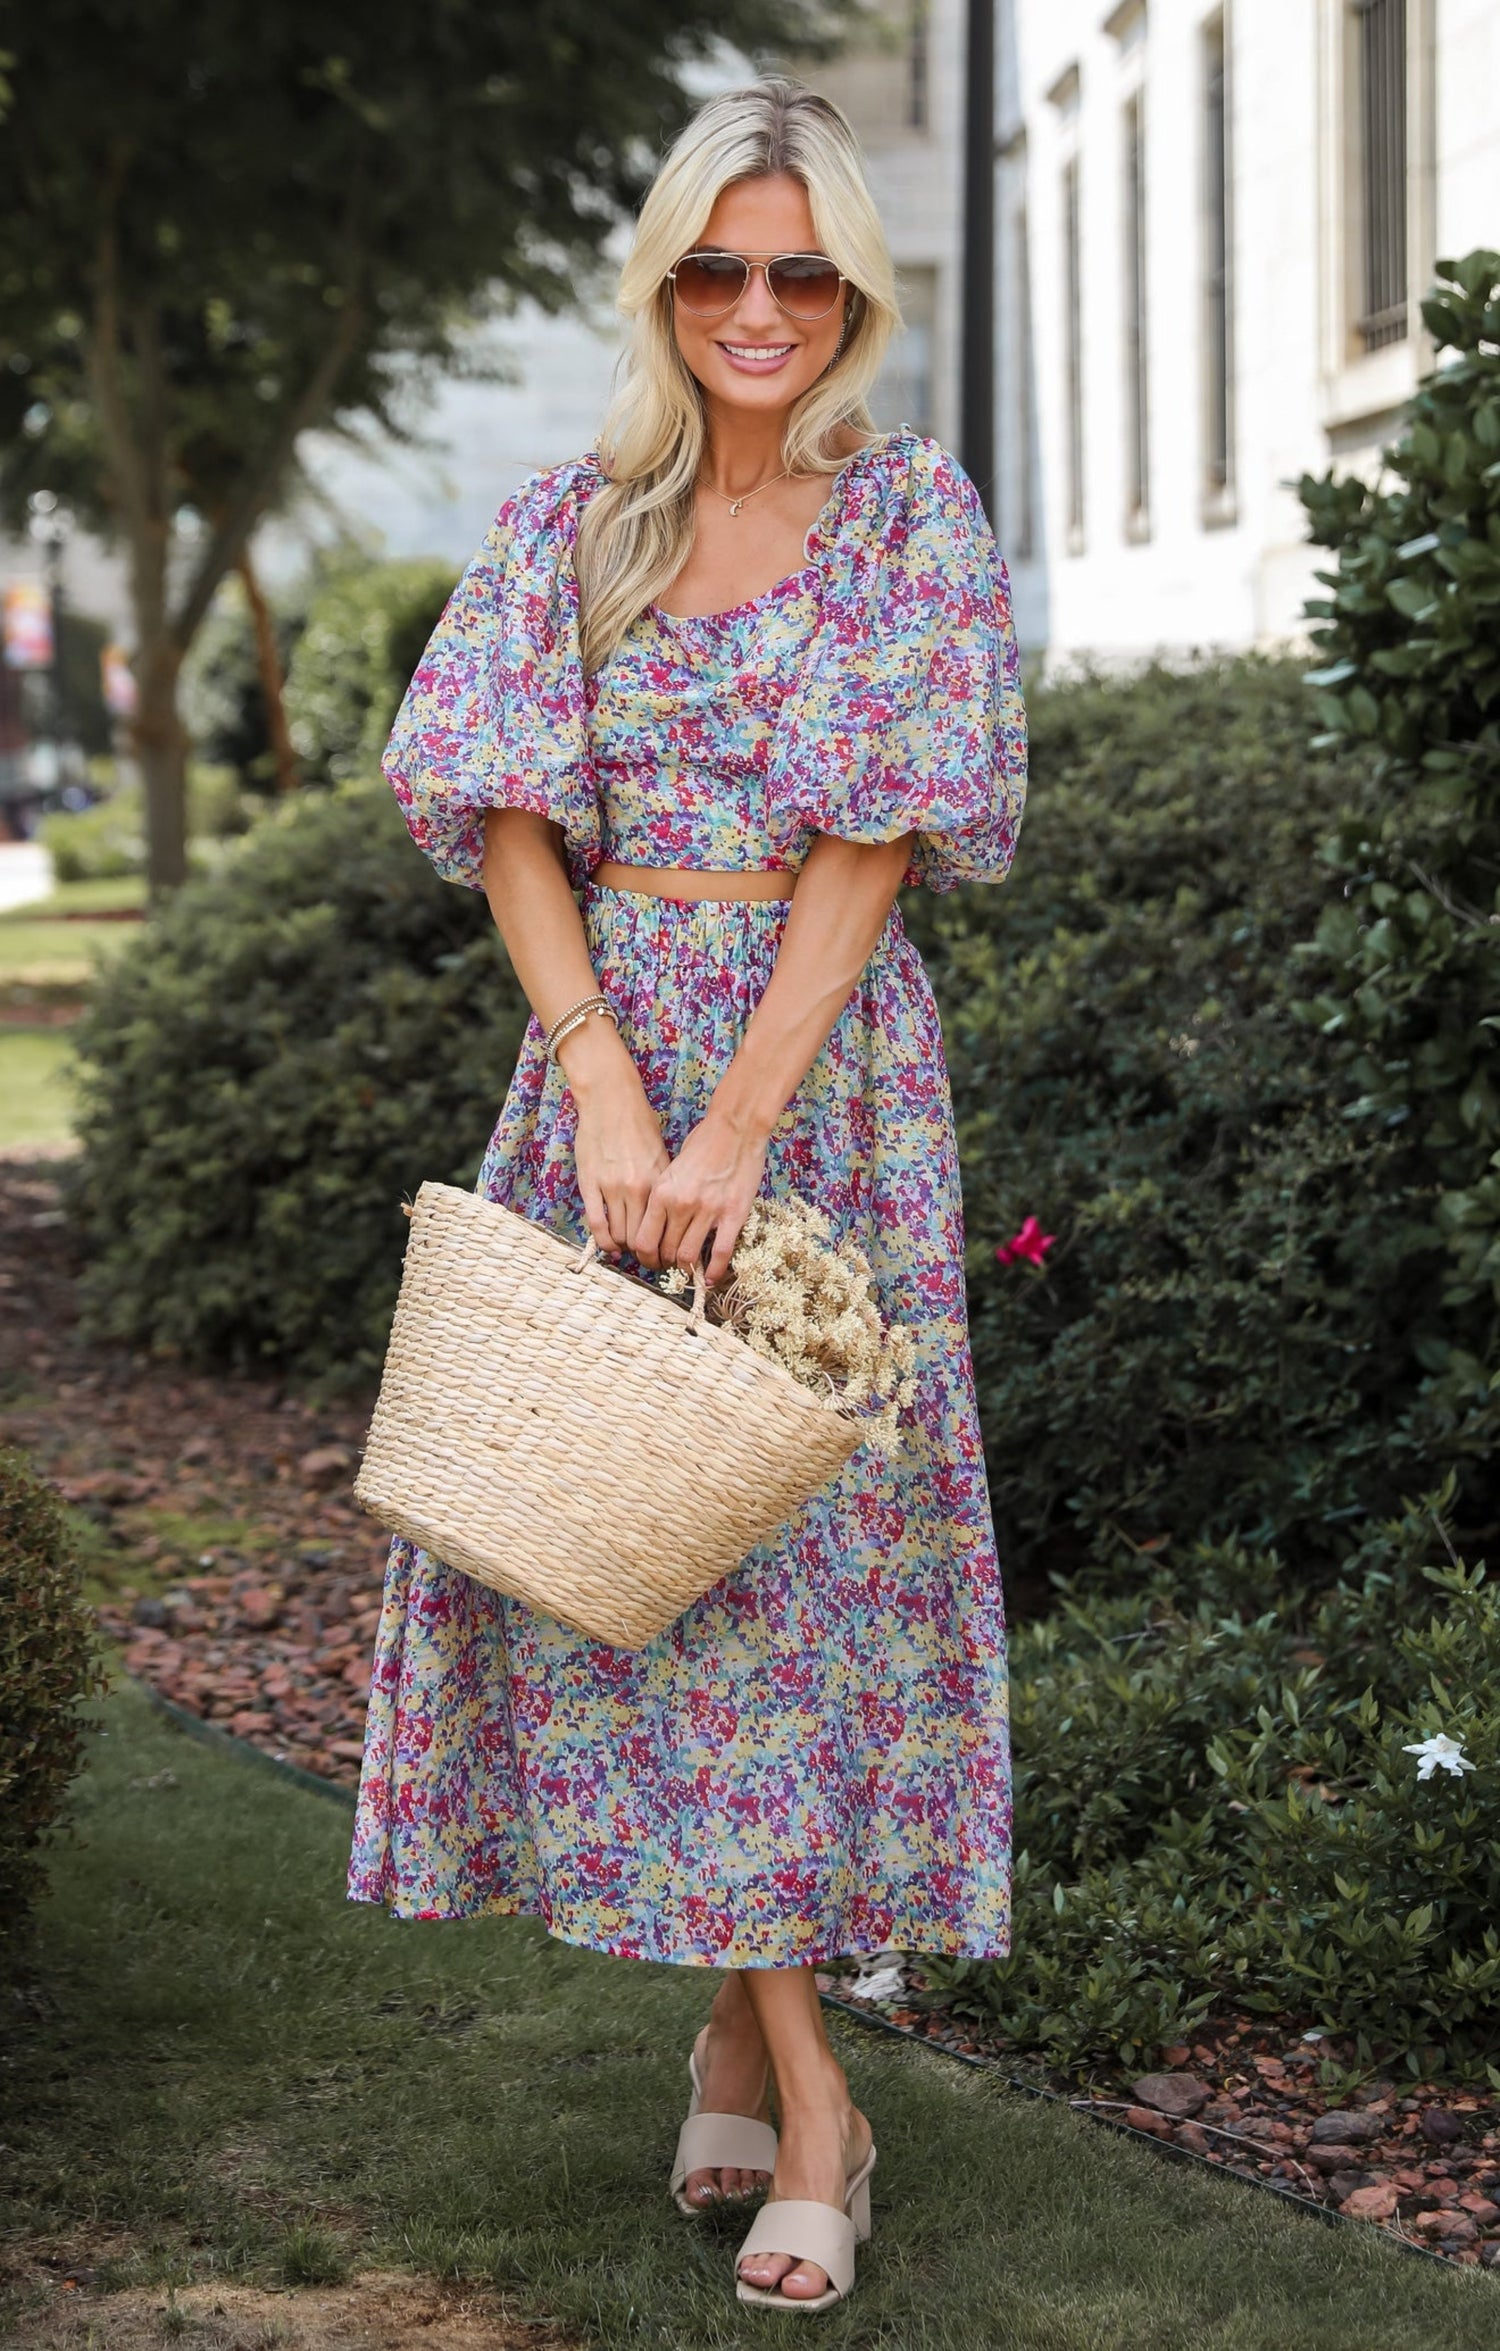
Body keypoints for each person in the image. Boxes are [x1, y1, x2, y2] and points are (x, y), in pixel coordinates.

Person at [348, 74, 1027, 2315]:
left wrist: (737, 1122)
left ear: (854, 293)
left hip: (821, 1097)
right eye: (720, 267)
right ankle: (786, 2074)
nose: (761, 306)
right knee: (652, 1549)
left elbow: (876, 845)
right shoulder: (576, 521)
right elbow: (508, 819)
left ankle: (786, 2079)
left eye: (804, 270)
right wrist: (607, 1089)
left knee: (803, 1576)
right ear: (664, 279)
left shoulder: (914, 517)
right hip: (600, 1085)